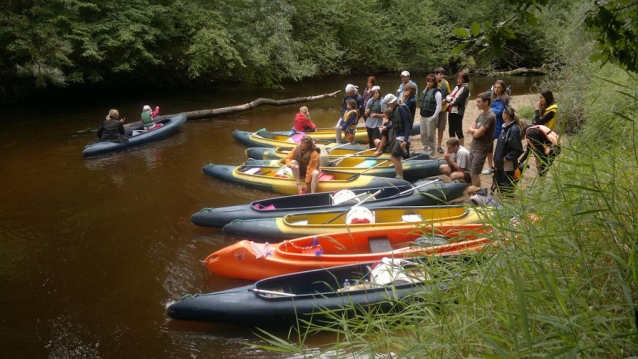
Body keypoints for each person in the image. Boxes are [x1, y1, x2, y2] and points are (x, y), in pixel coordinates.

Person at [492, 105, 524, 195]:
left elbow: (518, 150)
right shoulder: (505, 127)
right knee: (499, 187)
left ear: (505, 115)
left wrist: (505, 158)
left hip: (507, 165)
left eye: (502, 113)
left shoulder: (514, 130)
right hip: (500, 164)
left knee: (506, 189)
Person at [467, 92, 496, 188]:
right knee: (471, 172)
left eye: (479, 102)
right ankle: (473, 193)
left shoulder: (490, 116)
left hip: (481, 148)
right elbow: (470, 129)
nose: (476, 104)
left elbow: (478, 134)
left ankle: (477, 195)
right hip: (474, 146)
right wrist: (475, 131)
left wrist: (476, 132)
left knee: (474, 174)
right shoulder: (482, 115)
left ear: (486, 102)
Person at [381, 94, 412, 179]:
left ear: (391, 102)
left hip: (403, 137)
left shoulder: (401, 109)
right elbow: (395, 123)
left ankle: (399, 177)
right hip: (400, 136)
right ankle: (399, 176)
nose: (387, 106)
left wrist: (405, 140)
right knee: (397, 157)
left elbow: (407, 124)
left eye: (388, 104)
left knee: (394, 157)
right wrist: (386, 127)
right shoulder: (395, 109)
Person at [482, 80, 509, 175]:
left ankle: (498, 166)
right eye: (495, 87)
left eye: (499, 87)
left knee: (500, 147)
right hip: (492, 123)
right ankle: (490, 167)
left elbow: (499, 111)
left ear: (503, 89)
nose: (496, 89)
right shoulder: (492, 97)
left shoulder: (504, 98)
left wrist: (488, 109)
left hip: (499, 125)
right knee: (489, 145)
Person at [419, 74, 442, 157]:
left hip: (430, 117)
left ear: (434, 82)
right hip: (422, 116)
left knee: (430, 136)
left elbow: (439, 107)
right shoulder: (426, 90)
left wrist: (433, 117)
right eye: (428, 81)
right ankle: (425, 153)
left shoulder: (437, 92)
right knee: (423, 135)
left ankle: (431, 155)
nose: (429, 83)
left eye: (431, 82)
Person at [446, 71, 470, 146]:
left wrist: (450, 99)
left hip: (458, 112)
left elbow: (458, 101)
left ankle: (461, 147)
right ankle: (452, 146)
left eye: (461, 78)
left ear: (465, 79)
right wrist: (450, 99)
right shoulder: (457, 87)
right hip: (451, 110)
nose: (459, 80)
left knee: (458, 131)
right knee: (451, 130)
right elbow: (449, 96)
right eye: (458, 78)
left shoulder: (466, 89)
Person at [434, 67, 451, 154]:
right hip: (434, 110)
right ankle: (432, 145)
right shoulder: (431, 83)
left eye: (443, 74)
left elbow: (449, 94)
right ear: (436, 75)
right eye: (440, 74)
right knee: (432, 128)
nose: (442, 76)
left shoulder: (446, 83)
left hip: (443, 110)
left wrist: (446, 100)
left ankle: (439, 146)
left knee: (441, 128)